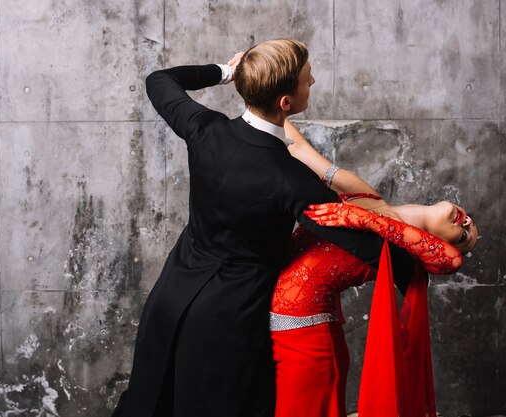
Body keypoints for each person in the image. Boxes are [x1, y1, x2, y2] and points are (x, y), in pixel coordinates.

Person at [112, 39, 416, 417]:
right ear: (285, 104)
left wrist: (224, 72)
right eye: (308, 79)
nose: (314, 81)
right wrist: (418, 263)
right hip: (231, 318)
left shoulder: (205, 130)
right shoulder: (290, 178)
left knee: (153, 402)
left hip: (171, 295)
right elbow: (356, 242)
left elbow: (160, 80)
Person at [269, 121, 478, 417]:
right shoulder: (371, 197)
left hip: (307, 339)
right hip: (272, 322)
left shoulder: (406, 251)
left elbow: (453, 261)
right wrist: (265, 101)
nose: (467, 225)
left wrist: (364, 220)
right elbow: (301, 150)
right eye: (472, 224)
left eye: (466, 239)